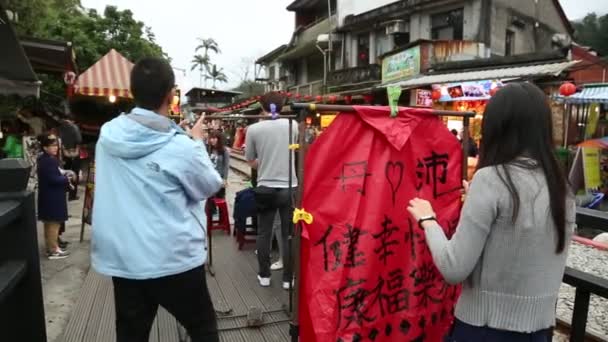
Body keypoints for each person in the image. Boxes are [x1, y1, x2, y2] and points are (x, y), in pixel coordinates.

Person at [407, 83, 575, 342]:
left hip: (484, 330)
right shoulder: (560, 186)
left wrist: (428, 220)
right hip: (540, 331)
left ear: (497, 128)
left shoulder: (491, 180)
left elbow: (453, 268)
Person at [91, 57, 222, 342]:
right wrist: (195, 141)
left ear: (132, 91)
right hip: (173, 259)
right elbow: (210, 185)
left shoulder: (108, 136)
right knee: (202, 329)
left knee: (131, 334)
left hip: (125, 258)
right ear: (170, 94)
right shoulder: (181, 147)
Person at [245, 92, 298, 289]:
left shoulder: (253, 129)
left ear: (261, 105)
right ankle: (288, 279)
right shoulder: (292, 126)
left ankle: (265, 276)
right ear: (283, 105)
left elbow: (251, 160)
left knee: (264, 233)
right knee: (288, 234)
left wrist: (265, 162)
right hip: (289, 186)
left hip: (265, 187)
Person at [37, 134, 71, 259]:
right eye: (52, 146)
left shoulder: (44, 159)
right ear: (45, 147)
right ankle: (53, 250)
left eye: (56, 145)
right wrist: (66, 178)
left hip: (48, 196)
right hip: (52, 197)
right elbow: (53, 179)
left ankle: (52, 247)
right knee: (53, 224)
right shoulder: (49, 160)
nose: (55, 148)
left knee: (49, 223)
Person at [58, 116, 82, 201]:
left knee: (66, 172)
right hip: (74, 152)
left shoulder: (61, 128)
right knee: (74, 173)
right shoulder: (75, 127)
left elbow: (60, 140)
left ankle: (65, 192)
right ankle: (72, 195)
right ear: (73, 120)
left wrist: (64, 150)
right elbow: (79, 140)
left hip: (65, 153)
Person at [207, 130, 230, 198]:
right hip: (211, 178)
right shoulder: (209, 149)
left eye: (214, 138)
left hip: (220, 178)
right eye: (211, 138)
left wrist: (225, 179)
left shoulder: (224, 151)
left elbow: (226, 165)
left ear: (218, 139)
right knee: (210, 200)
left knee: (220, 199)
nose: (212, 140)